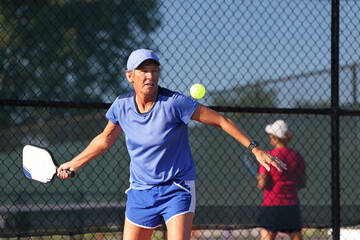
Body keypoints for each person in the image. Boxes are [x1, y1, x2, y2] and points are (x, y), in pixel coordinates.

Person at [58, 49, 287, 240]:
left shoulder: (175, 103)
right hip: (140, 191)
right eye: (143, 71)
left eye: (154, 70)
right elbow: (105, 139)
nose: (150, 76)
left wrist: (255, 148)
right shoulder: (121, 105)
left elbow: (220, 120)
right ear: (130, 76)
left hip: (176, 188)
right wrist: (75, 163)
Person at [256, 120, 306, 240]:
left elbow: (262, 184)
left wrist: (260, 178)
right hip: (292, 206)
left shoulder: (268, 156)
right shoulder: (297, 156)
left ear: (273, 137)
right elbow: (302, 183)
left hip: (271, 206)